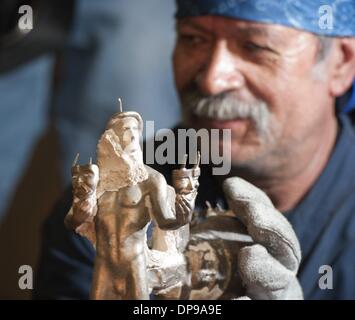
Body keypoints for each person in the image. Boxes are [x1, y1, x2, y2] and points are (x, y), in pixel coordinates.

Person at [34, 0, 355, 299]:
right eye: (193, 39)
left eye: (254, 47)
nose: (212, 80)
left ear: (341, 63)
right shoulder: (113, 200)